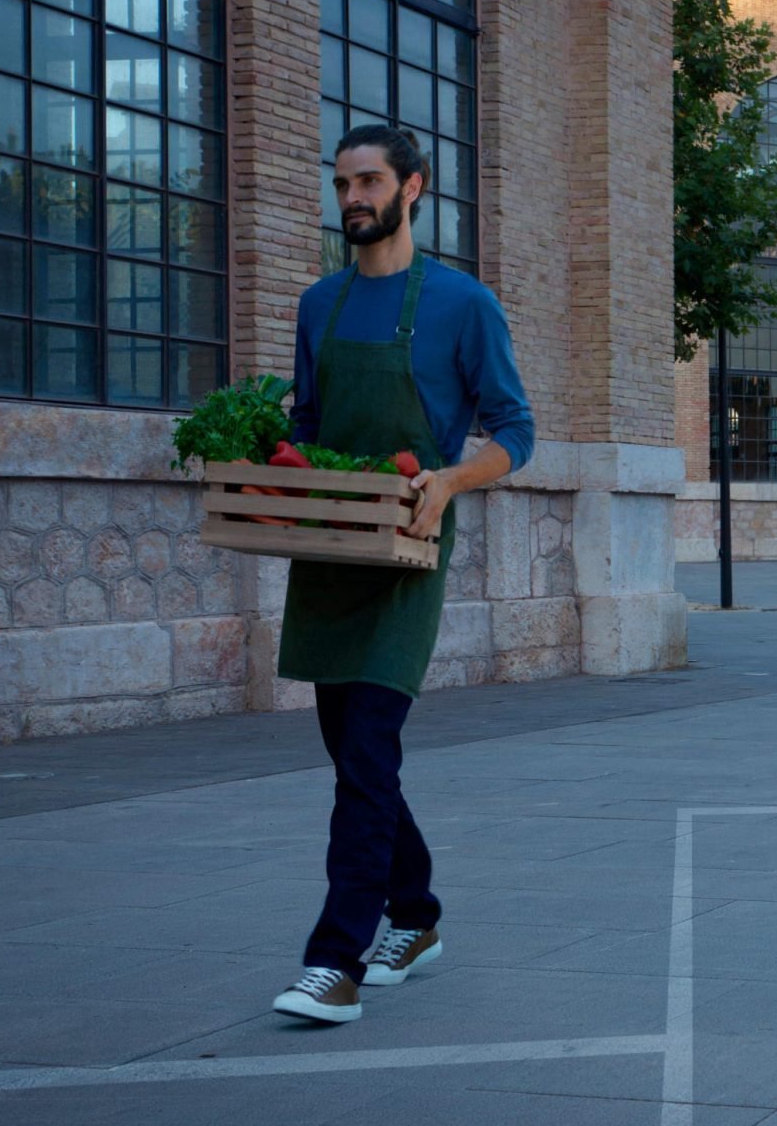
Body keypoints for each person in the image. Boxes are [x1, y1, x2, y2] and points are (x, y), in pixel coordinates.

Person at [269, 125, 534, 1024]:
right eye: (341, 182)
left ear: (413, 187)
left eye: (369, 180)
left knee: (369, 747)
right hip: (331, 547)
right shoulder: (319, 304)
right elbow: (304, 424)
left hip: (410, 543)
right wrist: (257, 464)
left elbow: (515, 431)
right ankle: (414, 915)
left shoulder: (464, 305)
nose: (352, 197)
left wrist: (451, 481)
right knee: (354, 754)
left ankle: (332, 961)